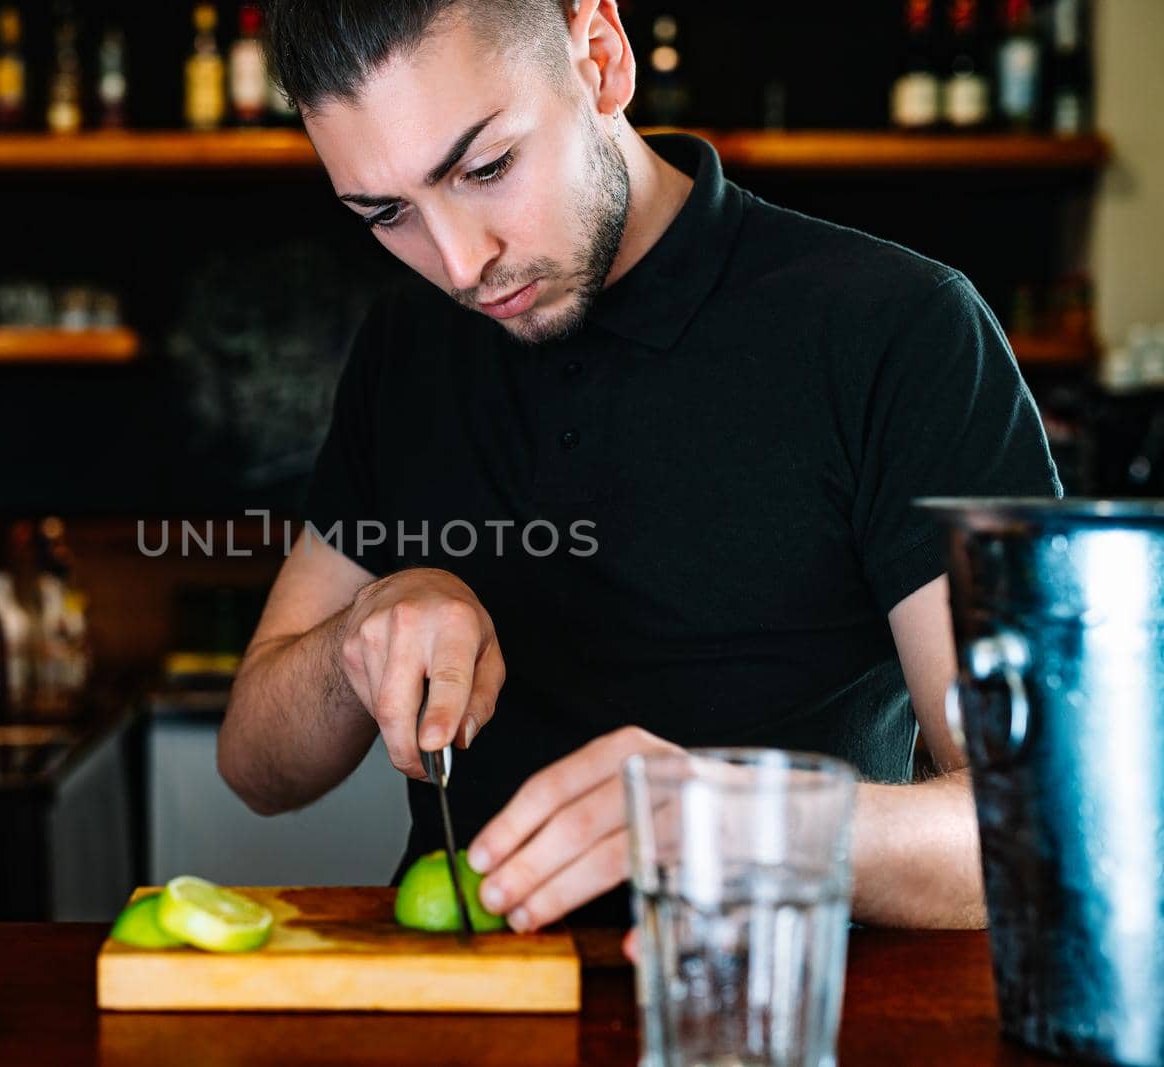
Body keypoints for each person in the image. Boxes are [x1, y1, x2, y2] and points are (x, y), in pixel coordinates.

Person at [218, 0, 1061, 936]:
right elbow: (258, 768)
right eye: (387, 214)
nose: (460, 265)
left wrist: (728, 822)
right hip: (473, 1014)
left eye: (488, 167)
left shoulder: (899, 330)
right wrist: (360, 629)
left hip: (780, 1019)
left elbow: (1037, 828)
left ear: (602, 59)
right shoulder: (407, 346)